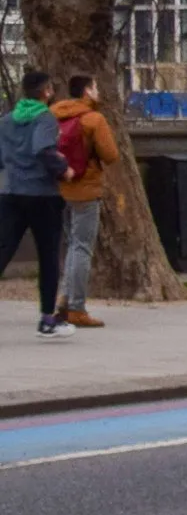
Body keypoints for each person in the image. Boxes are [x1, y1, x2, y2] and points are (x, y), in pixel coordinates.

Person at [0, 69, 70, 336]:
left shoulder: (7, 120)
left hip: (11, 192)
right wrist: (63, 169)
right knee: (48, 257)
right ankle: (47, 319)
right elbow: (42, 149)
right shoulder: (45, 118)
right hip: (42, 195)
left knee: (4, 249)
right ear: (46, 92)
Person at [50, 74, 118, 328]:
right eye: (95, 87)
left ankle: (65, 299)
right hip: (85, 190)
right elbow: (110, 154)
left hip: (58, 188)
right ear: (87, 91)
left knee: (70, 245)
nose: (98, 91)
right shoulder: (93, 119)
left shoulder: (53, 115)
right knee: (82, 247)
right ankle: (76, 308)